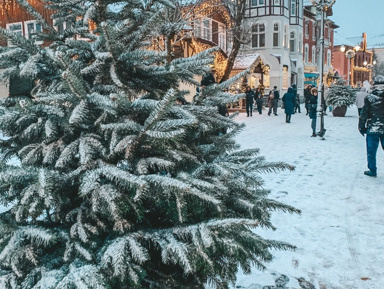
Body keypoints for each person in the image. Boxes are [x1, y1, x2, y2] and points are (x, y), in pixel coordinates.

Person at [358, 76, 384, 177]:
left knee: (371, 151)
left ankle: (372, 170)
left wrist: (361, 127)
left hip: (373, 127)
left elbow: (364, 114)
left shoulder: (369, 97)